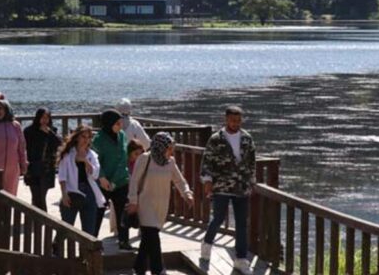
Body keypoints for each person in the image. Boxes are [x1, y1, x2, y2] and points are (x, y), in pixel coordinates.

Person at [200, 106, 256, 275]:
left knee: (241, 224)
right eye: (232, 120)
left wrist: (251, 182)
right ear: (226, 120)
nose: (236, 123)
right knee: (217, 218)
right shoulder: (216, 139)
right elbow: (207, 162)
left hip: (241, 187)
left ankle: (241, 259)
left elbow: (252, 162)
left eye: (238, 120)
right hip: (221, 186)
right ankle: (207, 245)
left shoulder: (247, 138)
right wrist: (207, 181)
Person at [127, 132, 194, 275]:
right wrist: (133, 201)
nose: (171, 151)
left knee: (147, 239)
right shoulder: (145, 159)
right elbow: (134, 181)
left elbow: (179, 180)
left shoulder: (170, 162)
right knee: (152, 236)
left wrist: (186, 193)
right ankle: (158, 270)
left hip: (161, 206)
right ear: (160, 146)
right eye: (169, 148)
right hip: (145, 204)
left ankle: (138, 268)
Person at [92, 109, 133, 250]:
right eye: (117, 123)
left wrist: (115, 181)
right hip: (103, 183)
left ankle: (124, 241)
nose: (120, 126)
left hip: (120, 181)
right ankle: (93, 242)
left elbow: (123, 158)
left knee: (123, 212)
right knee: (98, 213)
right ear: (109, 123)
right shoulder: (98, 139)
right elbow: (95, 161)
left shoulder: (122, 136)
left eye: (120, 123)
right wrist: (103, 178)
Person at [57, 125, 105, 236]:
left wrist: (86, 162)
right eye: (83, 137)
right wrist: (64, 194)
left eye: (89, 137)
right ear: (77, 137)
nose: (86, 140)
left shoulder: (92, 155)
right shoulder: (68, 154)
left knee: (89, 230)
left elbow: (95, 174)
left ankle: (86, 253)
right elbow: (62, 176)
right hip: (72, 192)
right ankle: (56, 248)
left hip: (89, 192)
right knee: (66, 227)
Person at [0, 99, 27, 206]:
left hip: (12, 168)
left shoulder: (15, 125)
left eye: (1, 108)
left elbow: (21, 147)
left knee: (10, 198)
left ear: (7, 110)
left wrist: (23, 164)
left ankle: (6, 220)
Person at [24, 108, 62, 211]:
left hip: (46, 168)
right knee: (37, 196)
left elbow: (59, 143)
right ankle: (41, 219)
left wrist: (49, 133)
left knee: (41, 195)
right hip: (32, 168)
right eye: (42, 117)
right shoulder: (29, 131)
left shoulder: (52, 131)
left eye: (47, 118)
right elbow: (24, 148)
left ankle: (38, 219)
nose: (45, 120)